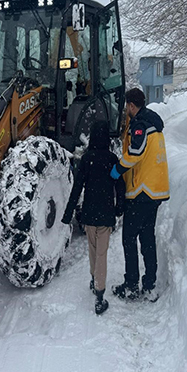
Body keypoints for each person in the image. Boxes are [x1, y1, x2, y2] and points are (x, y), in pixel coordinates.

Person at [110, 88, 169, 302]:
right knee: (146, 237)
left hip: (143, 190)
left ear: (132, 106)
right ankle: (149, 285)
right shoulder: (154, 123)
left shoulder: (140, 124)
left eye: (127, 106)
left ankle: (131, 285)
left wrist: (117, 169)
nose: (126, 110)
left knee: (129, 238)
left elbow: (135, 152)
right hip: (155, 190)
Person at [62, 120, 121, 315]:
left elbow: (77, 188)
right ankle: (100, 294)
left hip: (88, 213)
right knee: (102, 252)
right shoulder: (113, 160)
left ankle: (94, 278)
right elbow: (120, 187)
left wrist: (68, 213)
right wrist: (120, 208)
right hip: (105, 213)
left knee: (93, 249)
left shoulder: (86, 159)